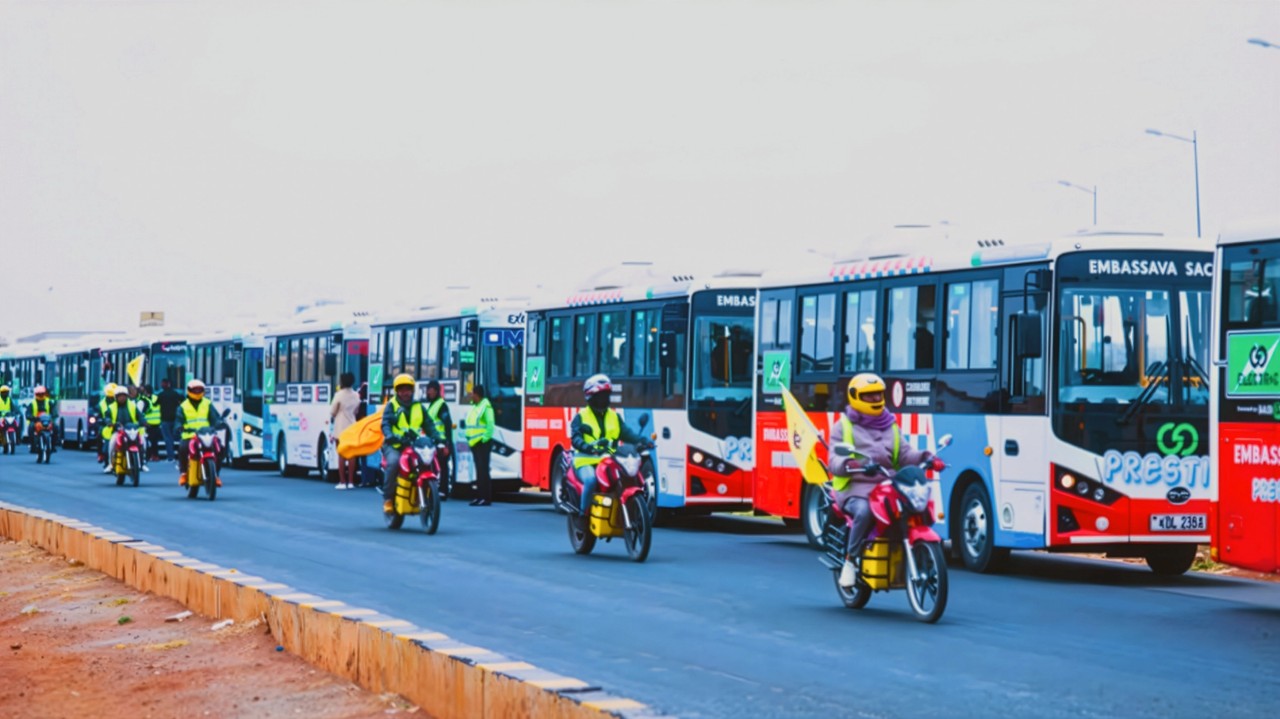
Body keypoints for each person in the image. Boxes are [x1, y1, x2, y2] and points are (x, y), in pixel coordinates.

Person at [830, 373, 932, 589]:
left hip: (887, 485)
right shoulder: (844, 426)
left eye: (878, 394)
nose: (876, 399)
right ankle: (850, 562)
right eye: (869, 396)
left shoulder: (890, 425)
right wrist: (850, 464)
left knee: (917, 508)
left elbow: (905, 454)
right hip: (855, 487)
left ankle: (917, 556)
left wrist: (926, 457)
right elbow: (834, 459)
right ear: (856, 397)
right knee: (865, 511)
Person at [569, 374, 649, 519]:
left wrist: (643, 440)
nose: (604, 399)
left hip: (609, 460)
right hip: (585, 460)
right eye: (600, 396)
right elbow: (575, 439)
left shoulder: (614, 416)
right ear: (590, 397)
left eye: (606, 395)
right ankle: (583, 514)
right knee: (590, 480)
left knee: (629, 476)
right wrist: (587, 446)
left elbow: (627, 434)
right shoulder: (581, 417)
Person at [379, 374, 442, 513]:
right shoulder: (392, 405)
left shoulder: (419, 406)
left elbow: (429, 425)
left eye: (408, 389)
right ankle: (388, 499)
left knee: (429, 459)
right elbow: (386, 423)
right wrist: (390, 435)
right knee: (394, 463)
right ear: (397, 391)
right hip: (394, 445)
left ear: (412, 390)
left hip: (414, 445)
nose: (405, 392)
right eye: (401, 390)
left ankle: (430, 493)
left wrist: (439, 438)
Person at [175, 379, 226, 486]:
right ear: (189, 391)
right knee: (182, 448)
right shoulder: (183, 406)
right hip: (190, 436)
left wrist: (219, 423)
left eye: (200, 390)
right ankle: (184, 473)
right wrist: (179, 427)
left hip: (207, 435)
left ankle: (216, 475)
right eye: (195, 390)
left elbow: (214, 418)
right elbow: (178, 420)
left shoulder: (207, 404)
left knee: (220, 448)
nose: (197, 392)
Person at [464, 384, 495, 506]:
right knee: (479, 471)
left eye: (473, 393)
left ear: (477, 395)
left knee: (483, 471)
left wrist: (484, 439)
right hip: (475, 443)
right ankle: (479, 496)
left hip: (482, 443)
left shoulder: (485, 407)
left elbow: (490, 424)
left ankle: (485, 498)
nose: (471, 395)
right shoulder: (475, 406)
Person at [329, 372, 361, 490]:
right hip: (352, 425)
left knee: (341, 455)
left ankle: (342, 482)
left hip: (340, 427)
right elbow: (356, 411)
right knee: (352, 455)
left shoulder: (338, 395)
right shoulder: (356, 395)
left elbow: (332, 411)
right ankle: (351, 481)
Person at [424, 380, 454, 500]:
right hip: (433, 441)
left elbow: (447, 424)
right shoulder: (432, 405)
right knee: (433, 466)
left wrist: (447, 444)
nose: (428, 392)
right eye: (427, 389)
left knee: (443, 467)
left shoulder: (441, 405)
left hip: (441, 442)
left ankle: (443, 491)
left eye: (430, 389)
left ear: (436, 391)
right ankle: (433, 490)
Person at [103, 385, 142, 474]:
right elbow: (107, 416)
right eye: (120, 396)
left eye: (124, 395)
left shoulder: (133, 405)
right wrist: (109, 422)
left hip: (132, 430)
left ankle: (142, 463)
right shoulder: (111, 407)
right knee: (112, 444)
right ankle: (110, 464)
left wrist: (144, 422)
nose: (122, 398)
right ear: (116, 397)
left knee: (142, 442)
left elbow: (140, 416)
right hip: (118, 431)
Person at [156, 378, 184, 463]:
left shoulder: (161, 395)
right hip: (175, 419)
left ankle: (170, 457)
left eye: (162, 383)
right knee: (179, 438)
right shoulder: (175, 394)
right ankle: (181, 456)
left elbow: (155, 403)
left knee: (168, 439)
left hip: (165, 419)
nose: (161, 385)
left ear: (166, 384)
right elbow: (183, 400)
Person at [26, 385, 57, 454]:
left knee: (56, 427)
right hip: (36, 421)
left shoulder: (49, 402)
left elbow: (54, 411)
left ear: (44, 394)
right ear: (36, 394)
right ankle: (32, 445)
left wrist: (54, 415)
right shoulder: (32, 404)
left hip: (47, 421)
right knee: (30, 428)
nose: (40, 395)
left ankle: (53, 445)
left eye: (42, 394)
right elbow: (28, 413)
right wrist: (31, 417)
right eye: (38, 394)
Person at [141, 383, 162, 461]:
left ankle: (149, 455)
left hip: (147, 423)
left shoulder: (143, 399)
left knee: (147, 440)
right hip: (157, 422)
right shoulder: (156, 398)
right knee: (154, 441)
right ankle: (155, 455)